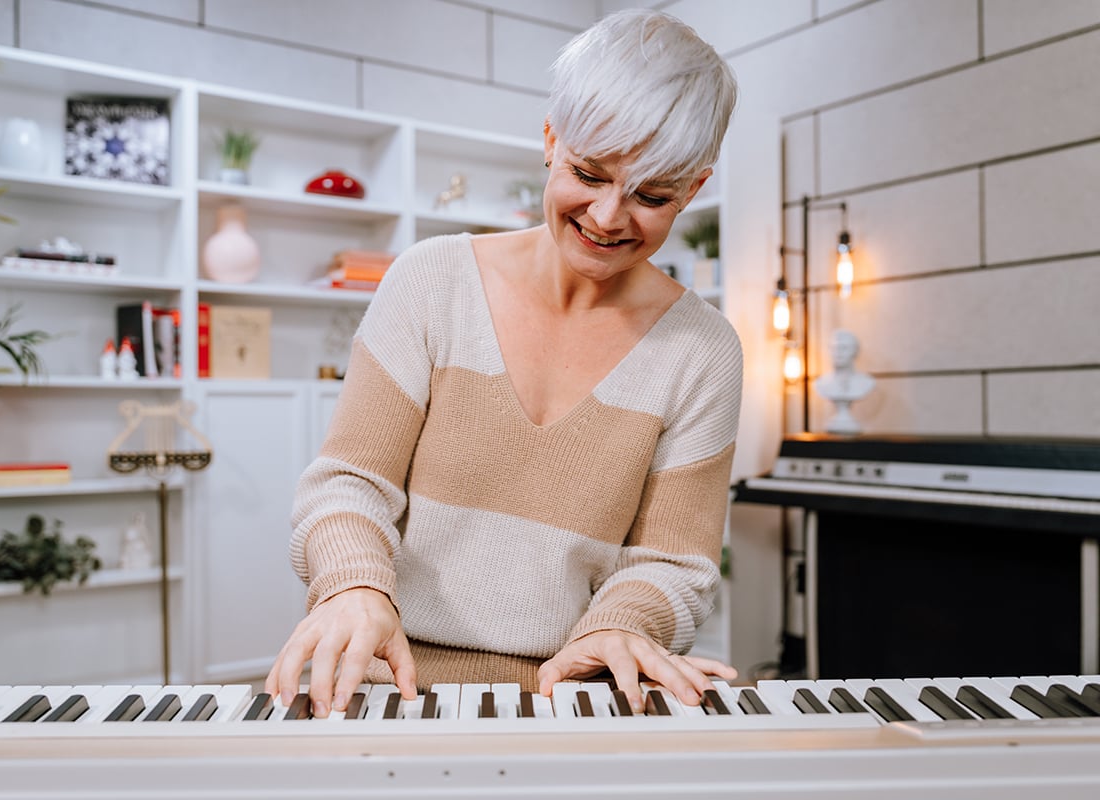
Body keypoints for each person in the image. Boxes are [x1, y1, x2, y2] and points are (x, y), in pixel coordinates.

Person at [266, 8, 743, 718]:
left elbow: (674, 562)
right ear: (551, 141)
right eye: (589, 172)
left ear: (694, 189)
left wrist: (621, 624)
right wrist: (354, 584)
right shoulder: (432, 281)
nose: (610, 217)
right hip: (389, 681)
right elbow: (347, 483)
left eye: (652, 195)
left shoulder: (704, 351)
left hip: (576, 698)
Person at [814, 329, 875, 434]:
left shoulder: (866, 382)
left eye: (844, 348)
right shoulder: (821, 383)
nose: (838, 353)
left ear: (855, 351)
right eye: (834, 348)